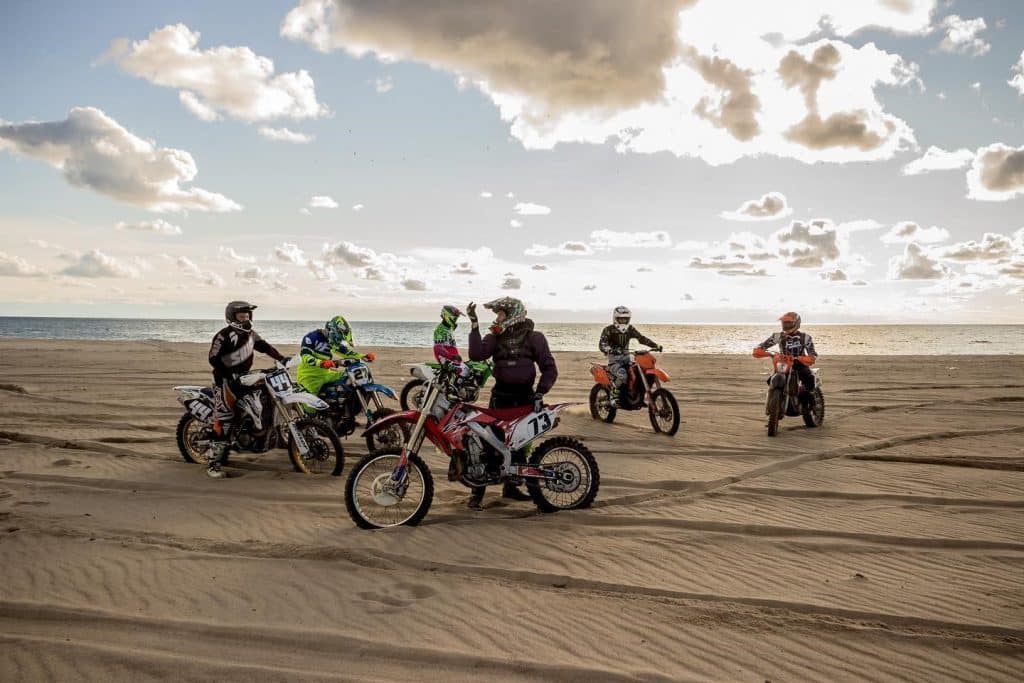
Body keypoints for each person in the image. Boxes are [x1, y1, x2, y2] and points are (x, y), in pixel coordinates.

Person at [466, 296, 557, 510]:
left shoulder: (535, 337)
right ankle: (477, 492)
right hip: (500, 397)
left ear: (513, 314)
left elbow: (550, 368)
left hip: (526, 398)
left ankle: (511, 488)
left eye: (500, 314)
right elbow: (476, 354)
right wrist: (474, 324)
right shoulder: (494, 337)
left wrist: (540, 393)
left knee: (521, 445)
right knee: (490, 442)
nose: (497, 318)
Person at [207, 301, 286, 478]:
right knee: (224, 419)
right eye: (242, 316)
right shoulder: (223, 335)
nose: (246, 318)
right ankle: (214, 464)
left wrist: (282, 358)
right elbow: (213, 358)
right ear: (232, 317)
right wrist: (228, 374)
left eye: (248, 315)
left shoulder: (251, 334)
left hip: (244, 378)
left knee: (263, 401)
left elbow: (265, 347)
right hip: (224, 382)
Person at [295, 314, 375, 403]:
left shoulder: (332, 341)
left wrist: (363, 356)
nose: (339, 341)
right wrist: (321, 363)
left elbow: (347, 353)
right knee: (312, 405)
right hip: (309, 377)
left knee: (348, 378)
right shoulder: (312, 337)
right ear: (332, 331)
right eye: (338, 339)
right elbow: (305, 356)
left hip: (326, 374)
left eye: (340, 340)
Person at [598, 306, 662, 407]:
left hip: (627, 360)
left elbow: (641, 338)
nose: (623, 321)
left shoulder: (630, 329)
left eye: (626, 319)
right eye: (621, 319)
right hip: (614, 362)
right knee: (623, 374)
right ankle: (614, 396)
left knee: (641, 372)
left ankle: (639, 397)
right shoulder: (608, 330)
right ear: (615, 318)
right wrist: (610, 349)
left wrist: (655, 345)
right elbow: (602, 344)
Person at [752, 312, 818, 398]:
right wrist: (768, 353)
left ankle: (810, 404)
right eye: (784, 323)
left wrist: (805, 358)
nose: (786, 325)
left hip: (800, 363)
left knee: (809, 380)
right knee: (770, 381)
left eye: (788, 323)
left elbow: (812, 354)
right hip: (783, 363)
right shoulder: (778, 336)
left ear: (796, 323)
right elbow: (762, 346)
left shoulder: (805, 337)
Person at [432, 304, 473, 383]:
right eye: (455, 317)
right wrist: (453, 356)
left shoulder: (449, 328)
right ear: (448, 315)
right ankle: (456, 391)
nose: (456, 319)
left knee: (471, 369)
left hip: (452, 358)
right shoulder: (440, 330)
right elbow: (438, 348)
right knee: (465, 371)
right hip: (445, 359)